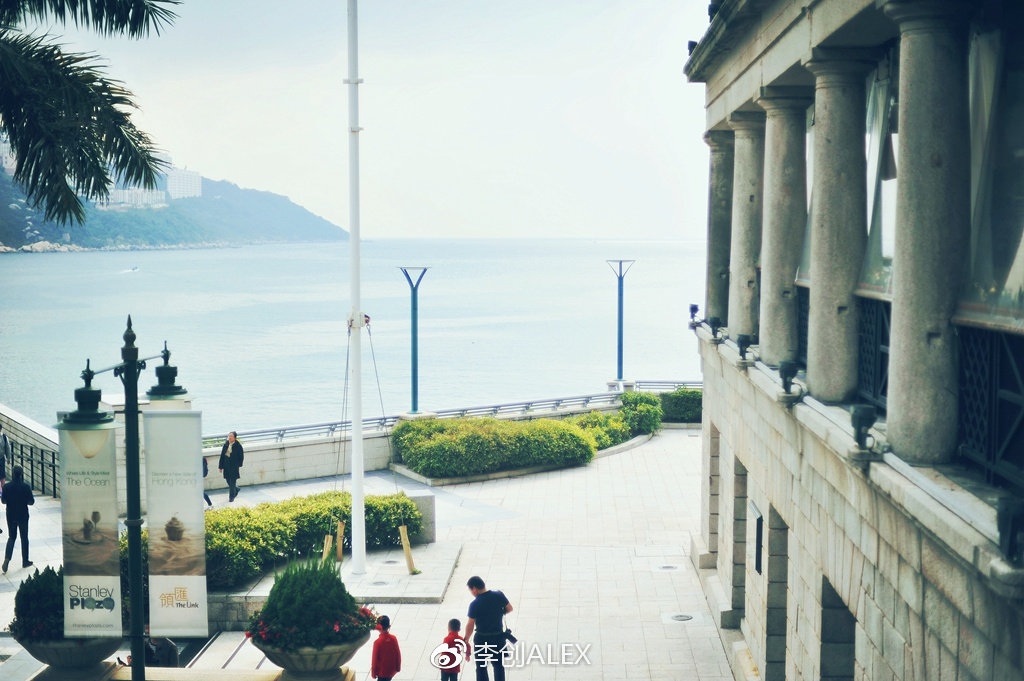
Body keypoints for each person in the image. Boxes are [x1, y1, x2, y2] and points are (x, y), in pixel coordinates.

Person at [464, 576, 513, 681]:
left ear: (474, 589)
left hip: (481, 638)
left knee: (481, 667)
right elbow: (510, 608)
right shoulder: (498, 595)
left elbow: (470, 625)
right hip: (498, 637)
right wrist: (499, 613)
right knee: (498, 666)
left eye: (470, 590)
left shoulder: (474, 604)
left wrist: (466, 638)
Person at [2, 465, 34, 573]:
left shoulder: (6, 486)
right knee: (24, 537)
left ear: (12, 473)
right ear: (21, 474)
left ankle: (7, 559)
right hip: (23, 515)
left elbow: (3, 501)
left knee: (12, 537)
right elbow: (31, 502)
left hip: (11, 514)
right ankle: (25, 561)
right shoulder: (26, 486)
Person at [371, 614, 402, 681]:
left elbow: (375, 660)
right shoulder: (393, 638)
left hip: (382, 672)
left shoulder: (377, 642)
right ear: (389, 626)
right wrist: (398, 667)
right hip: (392, 670)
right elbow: (398, 653)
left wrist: (373, 673)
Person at [218, 431, 244, 502]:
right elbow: (222, 456)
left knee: (232, 482)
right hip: (226, 466)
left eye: (231, 436)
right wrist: (220, 466)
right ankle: (236, 489)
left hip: (234, 466)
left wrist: (238, 464)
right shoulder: (226, 445)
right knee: (227, 480)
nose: (229, 437)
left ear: (235, 438)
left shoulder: (238, 446)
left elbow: (241, 456)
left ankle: (231, 497)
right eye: (229, 436)